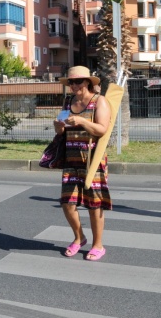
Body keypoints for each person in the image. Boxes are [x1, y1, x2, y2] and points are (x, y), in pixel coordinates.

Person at [52, 66, 112, 261]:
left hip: (92, 160)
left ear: (88, 82)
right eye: (71, 82)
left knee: (94, 205)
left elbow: (102, 129)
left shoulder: (99, 101)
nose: (74, 85)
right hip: (71, 159)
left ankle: (98, 245)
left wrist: (80, 120)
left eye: (78, 81)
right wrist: (58, 127)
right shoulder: (68, 101)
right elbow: (61, 132)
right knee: (67, 203)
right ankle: (79, 238)